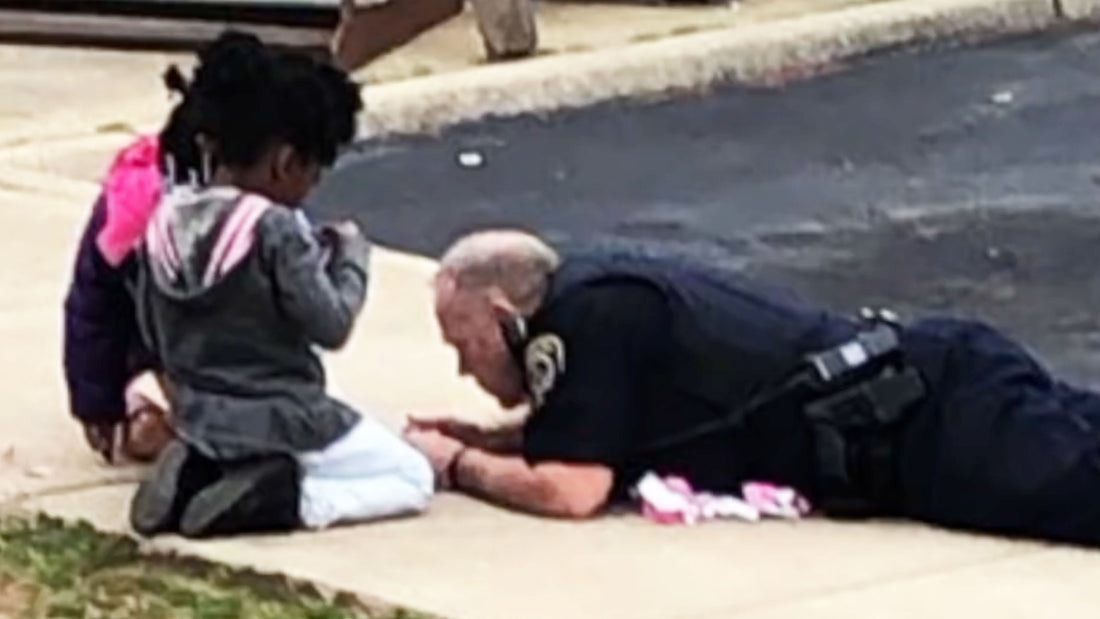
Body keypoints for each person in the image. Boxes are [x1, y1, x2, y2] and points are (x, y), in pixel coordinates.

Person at [405, 228, 1100, 547]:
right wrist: (496, 437)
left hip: (926, 427)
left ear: (505, 319)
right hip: (928, 382)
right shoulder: (597, 293)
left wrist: (458, 465)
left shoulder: (581, 323)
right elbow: (605, 429)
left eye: (463, 344)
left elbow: (572, 487)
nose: (464, 368)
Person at [128, 30, 434, 539]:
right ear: (286, 163)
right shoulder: (275, 228)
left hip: (198, 410)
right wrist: (351, 260)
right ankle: (287, 496)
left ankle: (199, 468)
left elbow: (150, 332)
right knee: (410, 476)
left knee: (282, 436)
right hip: (281, 414)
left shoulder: (164, 219)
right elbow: (330, 325)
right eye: (312, 175)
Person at [63, 130, 178, 465]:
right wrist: (98, 406)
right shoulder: (127, 212)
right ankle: (139, 405)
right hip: (144, 321)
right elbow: (91, 312)